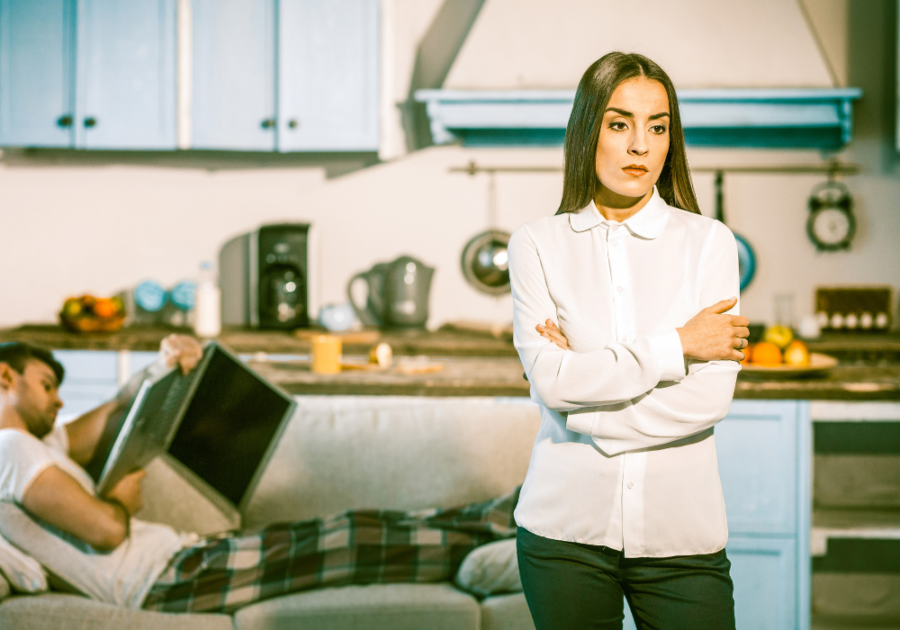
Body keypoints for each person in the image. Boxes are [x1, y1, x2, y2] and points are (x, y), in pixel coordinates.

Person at [0, 337, 518, 613]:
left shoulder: (38, 444)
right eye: (47, 386)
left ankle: (497, 520)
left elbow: (118, 410)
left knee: (354, 527)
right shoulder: (10, 448)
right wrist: (115, 496)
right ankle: (507, 528)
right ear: (5, 378)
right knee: (354, 540)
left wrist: (163, 361)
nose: (60, 400)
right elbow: (107, 529)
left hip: (182, 562)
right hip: (164, 580)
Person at [508, 52, 751, 630]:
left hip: (682, 538)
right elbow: (550, 380)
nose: (640, 145)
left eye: (657, 126)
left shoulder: (710, 244)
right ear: (588, 130)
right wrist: (678, 347)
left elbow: (708, 400)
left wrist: (581, 406)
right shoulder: (537, 245)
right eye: (619, 124)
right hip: (563, 533)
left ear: (671, 140)